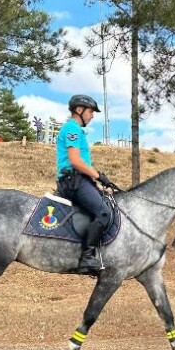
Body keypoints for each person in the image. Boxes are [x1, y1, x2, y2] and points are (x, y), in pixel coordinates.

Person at [56, 94, 114, 275]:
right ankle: (86, 259)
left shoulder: (77, 131)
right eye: (90, 112)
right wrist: (98, 176)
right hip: (74, 181)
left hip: (80, 180)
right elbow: (75, 160)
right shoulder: (72, 129)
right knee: (104, 212)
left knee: (104, 205)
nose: (92, 116)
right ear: (79, 110)